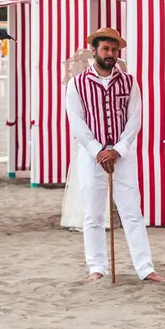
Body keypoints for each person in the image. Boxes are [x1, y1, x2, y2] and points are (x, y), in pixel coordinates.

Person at [64, 27, 165, 283]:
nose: (110, 54)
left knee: (132, 212)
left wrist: (118, 149)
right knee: (93, 214)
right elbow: (77, 121)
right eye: (105, 49)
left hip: (123, 155)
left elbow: (135, 119)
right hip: (91, 157)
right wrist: (97, 150)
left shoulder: (130, 82)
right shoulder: (77, 84)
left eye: (114, 49)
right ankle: (96, 267)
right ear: (94, 51)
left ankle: (145, 267)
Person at [60, 49, 123, 232]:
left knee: (90, 179)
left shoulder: (75, 69)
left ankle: (95, 215)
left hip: (99, 139)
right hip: (86, 137)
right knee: (85, 178)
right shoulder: (78, 80)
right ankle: (87, 215)